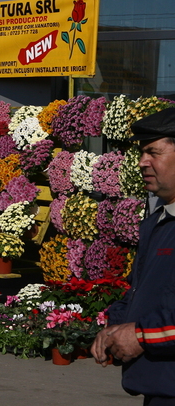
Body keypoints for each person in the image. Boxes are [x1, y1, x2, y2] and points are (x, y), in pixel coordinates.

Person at [91, 107, 175, 405]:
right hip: (157, 388)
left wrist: (141, 336)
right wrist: (113, 328)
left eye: (154, 152)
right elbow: (140, 290)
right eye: (142, 153)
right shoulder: (157, 221)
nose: (142, 162)